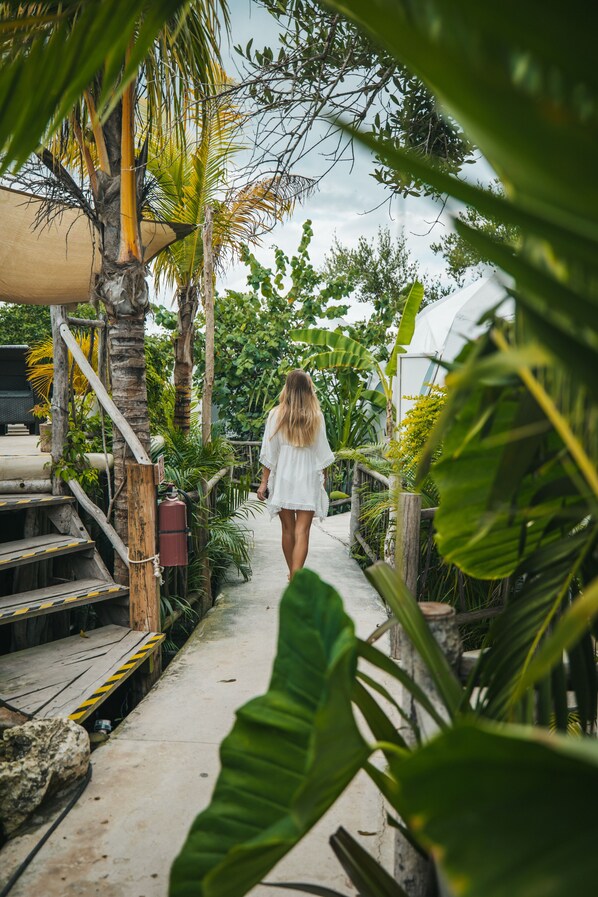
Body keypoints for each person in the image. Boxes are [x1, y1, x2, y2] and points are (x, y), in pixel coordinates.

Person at [257, 369, 334, 580]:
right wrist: (323, 479)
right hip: (307, 477)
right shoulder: (316, 416)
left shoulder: (275, 415)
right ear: (308, 389)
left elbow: (270, 453)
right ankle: (295, 578)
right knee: (303, 532)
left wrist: (264, 483)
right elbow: (323, 453)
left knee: (287, 530)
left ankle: (293, 575)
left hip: (284, 475)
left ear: (288, 388)